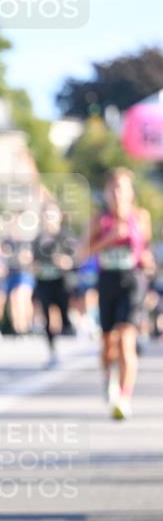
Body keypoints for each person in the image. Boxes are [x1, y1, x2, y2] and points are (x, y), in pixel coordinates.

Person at [83, 168, 152, 419]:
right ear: (105, 193)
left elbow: (144, 250)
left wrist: (147, 260)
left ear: (131, 192)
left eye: (122, 188)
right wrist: (109, 238)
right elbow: (84, 252)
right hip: (107, 281)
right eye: (112, 188)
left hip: (132, 282)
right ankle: (108, 377)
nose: (117, 194)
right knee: (108, 344)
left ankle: (124, 397)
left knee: (126, 339)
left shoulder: (141, 217)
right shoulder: (99, 220)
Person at [32, 202, 76, 367]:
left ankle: (68, 334)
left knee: (63, 316)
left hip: (61, 283)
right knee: (48, 317)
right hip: (44, 282)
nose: (48, 219)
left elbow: (74, 260)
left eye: (51, 215)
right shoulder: (38, 240)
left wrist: (64, 262)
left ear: (58, 217)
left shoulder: (65, 237)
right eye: (45, 215)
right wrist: (33, 266)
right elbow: (32, 262)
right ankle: (52, 351)